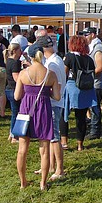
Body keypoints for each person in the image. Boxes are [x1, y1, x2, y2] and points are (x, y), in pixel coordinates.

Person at [14, 43, 61, 191]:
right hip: (44, 110)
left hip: (26, 110)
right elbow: (57, 97)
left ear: (30, 56)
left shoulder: (23, 73)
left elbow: (16, 96)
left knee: (22, 150)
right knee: (45, 150)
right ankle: (43, 183)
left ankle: (23, 183)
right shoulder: (50, 74)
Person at [63, 35, 98, 151]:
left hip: (72, 87)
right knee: (81, 117)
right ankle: (80, 144)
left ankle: (64, 142)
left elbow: (64, 73)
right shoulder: (89, 59)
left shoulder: (69, 57)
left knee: (64, 115)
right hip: (86, 88)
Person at [41, 35, 67, 180]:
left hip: (54, 103)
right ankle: (51, 166)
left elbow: (55, 88)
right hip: (55, 102)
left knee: (55, 137)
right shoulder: (54, 61)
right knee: (51, 136)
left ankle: (59, 169)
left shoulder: (52, 65)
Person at [85, 28, 102, 139]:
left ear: (93, 35)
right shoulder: (94, 47)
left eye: (86, 34)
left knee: (94, 107)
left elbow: (100, 68)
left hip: (96, 83)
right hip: (94, 82)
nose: (85, 37)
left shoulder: (98, 49)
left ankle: (95, 131)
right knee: (93, 106)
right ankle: (94, 128)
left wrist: (86, 75)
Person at [5, 43, 22, 141]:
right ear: (15, 51)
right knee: (16, 113)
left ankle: (11, 133)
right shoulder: (15, 63)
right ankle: (14, 135)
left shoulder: (9, 61)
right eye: (19, 50)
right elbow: (16, 78)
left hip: (9, 89)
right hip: (14, 89)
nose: (21, 52)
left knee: (15, 112)